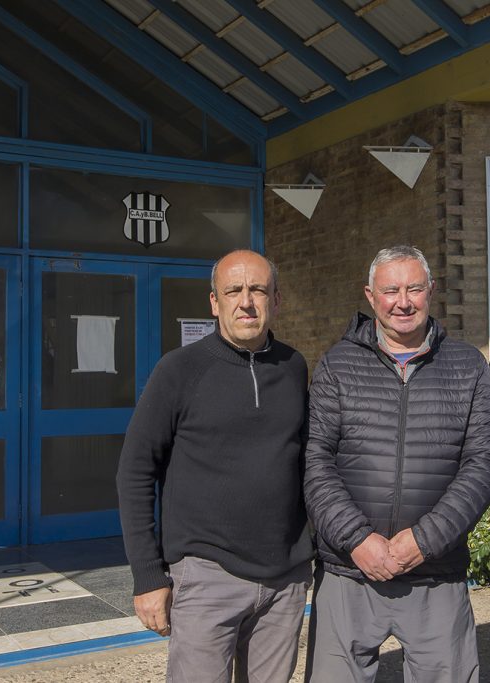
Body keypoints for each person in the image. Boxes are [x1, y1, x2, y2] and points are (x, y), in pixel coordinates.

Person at [303, 245, 490, 683]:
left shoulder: (467, 365)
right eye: (390, 290)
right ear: (370, 296)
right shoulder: (337, 365)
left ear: (431, 291)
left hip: (435, 573)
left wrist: (426, 539)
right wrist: (357, 539)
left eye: (414, 288)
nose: (403, 301)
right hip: (349, 571)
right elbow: (316, 461)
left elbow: (485, 462)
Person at [117, 249, 313, 683]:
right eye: (234, 290)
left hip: (284, 581)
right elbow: (134, 472)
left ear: (276, 300)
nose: (246, 301)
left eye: (258, 290)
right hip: (207, 577)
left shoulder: (294, 367)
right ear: (214, 302)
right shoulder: (179, 370)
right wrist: (148, 577)